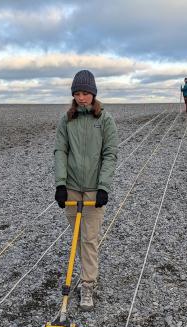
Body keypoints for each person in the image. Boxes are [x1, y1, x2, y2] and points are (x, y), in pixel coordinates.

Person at [54, 70, 118, 311]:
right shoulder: (66, 120)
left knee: (89, 238)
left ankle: (88, 283)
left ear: (93, 94)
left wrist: (103, 187)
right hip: (71, 188)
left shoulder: (104, 120)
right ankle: (83, 274)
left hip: (93, 191)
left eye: (86, 93)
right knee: (78, 238)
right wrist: (60, 184)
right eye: (77, 93)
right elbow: (60, 151)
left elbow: (110, 154)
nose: (82, 98)